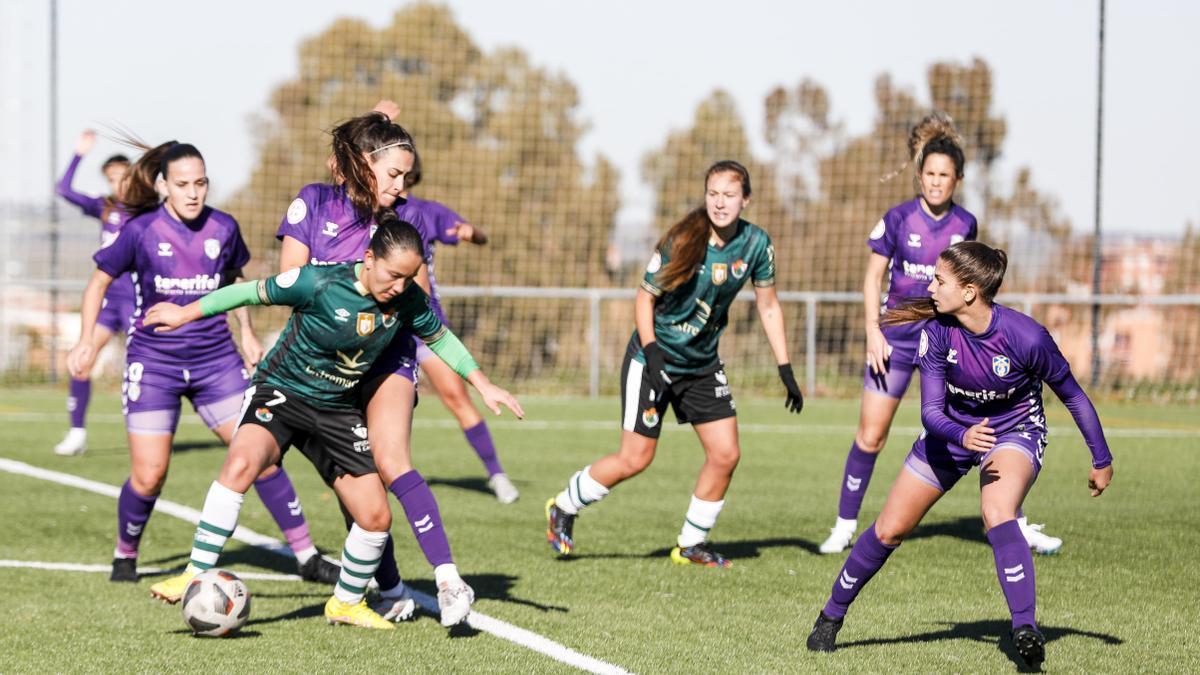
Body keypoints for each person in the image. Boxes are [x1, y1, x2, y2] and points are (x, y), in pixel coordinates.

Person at [143, 212, 522, 629]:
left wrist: (483, 384)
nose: (399, 286)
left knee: (376, 515)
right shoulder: (318, 281)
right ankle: (195, 573)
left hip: (338, 408)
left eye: (409, 277)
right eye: (393, 274)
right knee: (242, 462)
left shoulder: (407, 298)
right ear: (369, 258)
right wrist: (184, 314)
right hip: (282, 392)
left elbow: (440, 337)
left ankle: (345, 601)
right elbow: (248, 292)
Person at [805, 242, 1114, 668]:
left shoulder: (1027, 336)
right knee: (890, 529)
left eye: (939, 280)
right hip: (952, 433)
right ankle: (830, 616)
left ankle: (1025, 627)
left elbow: (1074, 397)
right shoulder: (936, 331)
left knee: (997, 510)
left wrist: (1101, 458)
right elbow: (931, 413)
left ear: (969, 291)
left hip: (1014, 432)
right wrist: (962, 434)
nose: (929, 287)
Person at [65, 139, 338, 586]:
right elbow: (97, 283)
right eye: (183, 184)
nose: (193, 193)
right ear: (163, 186)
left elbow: (234, 280)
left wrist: (247, 332)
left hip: (217, 362)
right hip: (155, 363)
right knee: (150, 475)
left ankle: (307, 557)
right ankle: (125, 553)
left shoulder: (224, 227)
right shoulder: (140, 231)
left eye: (201, 183)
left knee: (261, 457)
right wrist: (85, 342)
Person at [818, 113, 1062, 556]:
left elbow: (971, 289)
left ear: (958, 180)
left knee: (982, 424)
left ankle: (1015, 522)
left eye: (944, 176)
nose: (935, 182)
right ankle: (843, 525)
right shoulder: (896, 219)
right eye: (929, 174)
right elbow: (872, 278)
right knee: (871, 435)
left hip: (947, 343)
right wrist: (874, 330)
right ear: (919, 175)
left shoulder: (965, 224)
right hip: (896, 340)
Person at [545, 159, 803, 568]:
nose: (720, 203)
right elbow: (644, 298)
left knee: (726, 453)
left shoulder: (757, 244)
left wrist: (785, 367)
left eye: (729, 195)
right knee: (635, 459)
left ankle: (690, 544)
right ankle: (563, 506)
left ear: (746, 199)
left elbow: (768, 306)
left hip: (701, 363)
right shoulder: (684, 239)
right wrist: (652, 353)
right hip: (654, 355)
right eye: (713, 194)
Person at [276, 111, 478, 625]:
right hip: (324, 363)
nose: (402, 184)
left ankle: (450, 581)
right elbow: (287, 282)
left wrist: (461, 367)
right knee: (357, 484)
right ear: (363, 166)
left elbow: (422, 305)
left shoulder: (401, 222)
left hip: (387, 355)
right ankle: (388, 587)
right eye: (393, 174)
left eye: (406, 176)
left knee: (391, 461)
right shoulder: (316, 202)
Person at [395, 150, 519, 504]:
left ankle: (496, 475)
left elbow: (480, 237)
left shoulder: (426, 212)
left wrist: (470, 232)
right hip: (382, 327)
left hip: (424, 325)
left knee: (457, 396)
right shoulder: (370, 209)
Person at [52, 130, 133, 456]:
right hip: (109, 301)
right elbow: (62, 189)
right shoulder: (105, 206)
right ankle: (77, 433)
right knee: (81, 359)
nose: (118, 183)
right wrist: (78, 154)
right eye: (111, 178)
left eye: (122, 177)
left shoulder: (150, 210)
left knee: (147, 366)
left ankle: (151, 431)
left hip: (138, 300)